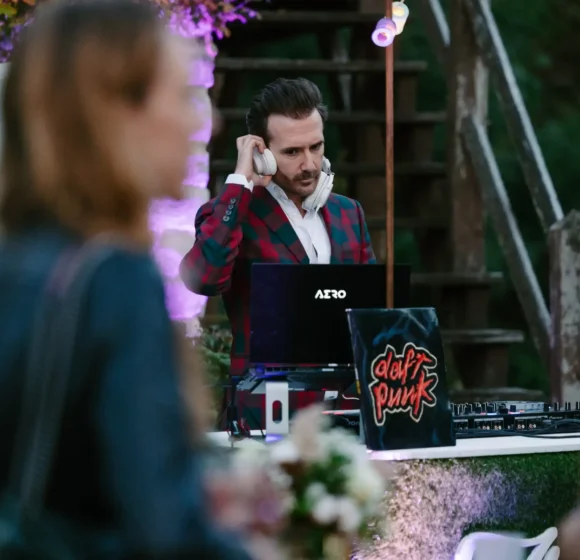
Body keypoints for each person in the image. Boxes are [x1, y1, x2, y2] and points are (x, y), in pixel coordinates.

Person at [0, 0, 254, 557]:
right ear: (115, 112)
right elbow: (162, 534)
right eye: (183, 95)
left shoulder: (19, 261)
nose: (206, 122)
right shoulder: (119, 282)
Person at [180, 78, 376, 422]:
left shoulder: (349, 212)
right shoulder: (232, 213)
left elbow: (372, 313)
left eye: (316, 147)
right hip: (265, 413)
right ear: (264, 155)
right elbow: (204, 278)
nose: (310, 164)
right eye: (292, 152)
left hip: (347, 409)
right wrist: (240, 182)